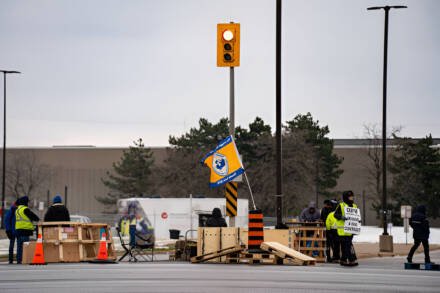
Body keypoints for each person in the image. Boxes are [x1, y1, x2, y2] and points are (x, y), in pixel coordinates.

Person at [334, 190, 358, 266]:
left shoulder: (354, 206)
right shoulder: (341, 205)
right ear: (346, 197)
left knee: (347, 245)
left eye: (352, 196)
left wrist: (358, 221)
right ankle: (351, 259)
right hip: (343, 230)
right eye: (350, 197)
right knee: (347, 245)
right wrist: (341, 217)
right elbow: (335, 215)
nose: (352, 198)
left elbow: (357, 216)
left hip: (351, 230)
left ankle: (343, 260)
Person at [15, 196, 39, 264]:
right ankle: (24, 259)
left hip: (18, 230)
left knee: (19, 247)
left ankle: (19, 260)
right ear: (25, 202)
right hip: (25, 230)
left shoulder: (17, 210)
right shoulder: (25, 209)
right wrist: (38, 219)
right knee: (25, 247)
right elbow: (34, 217)